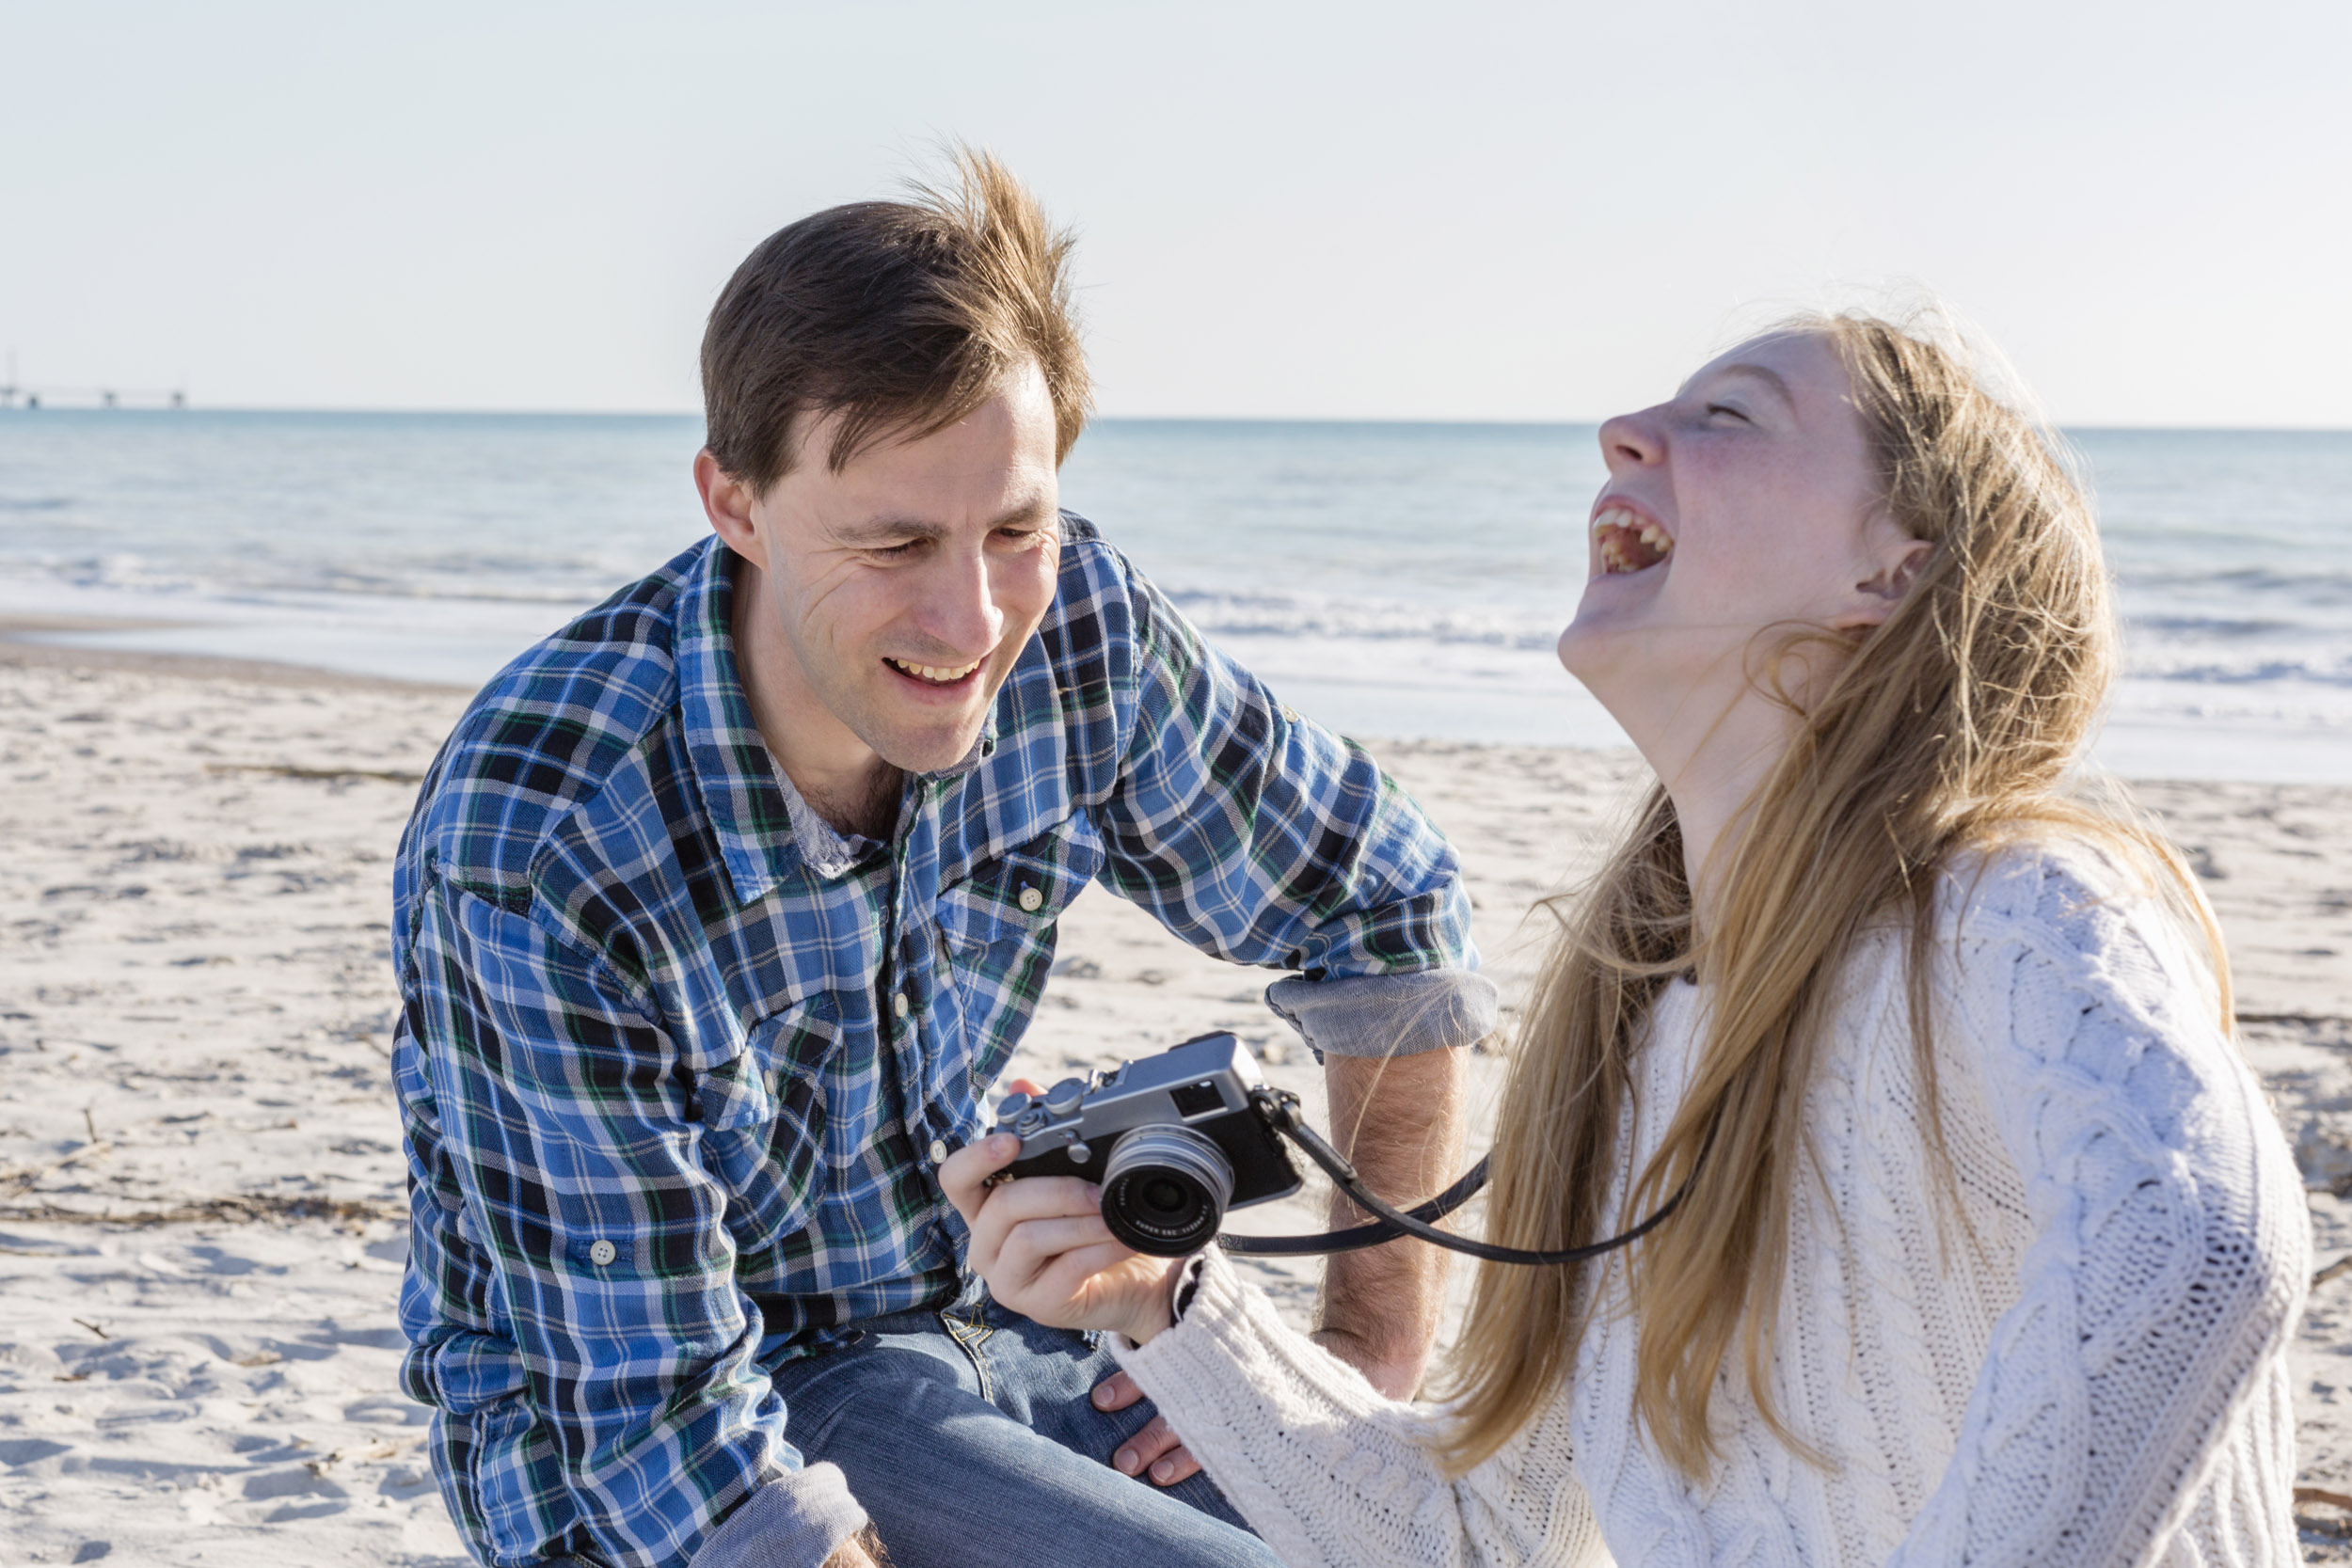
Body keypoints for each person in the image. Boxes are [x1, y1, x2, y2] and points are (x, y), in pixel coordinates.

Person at [946, 310, 2312, 1566]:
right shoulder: (1637, 1025)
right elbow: (1482, 1536)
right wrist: (1170, 1308)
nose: (1627, 432)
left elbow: (2203, 1237)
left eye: (1731, 417)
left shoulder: (2012, 901)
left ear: (1895, 573)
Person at [389, 151, 1491, 1568]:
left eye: (1013, 528)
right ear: (734, 503)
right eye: (896, 539)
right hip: (674, 1425)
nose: (972, 618)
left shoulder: (1082, 630)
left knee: (1427, 1528)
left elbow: (1386, 901)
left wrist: (1364, 1346)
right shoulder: (550, 835)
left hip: (986, 1314)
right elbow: (654, 1417)